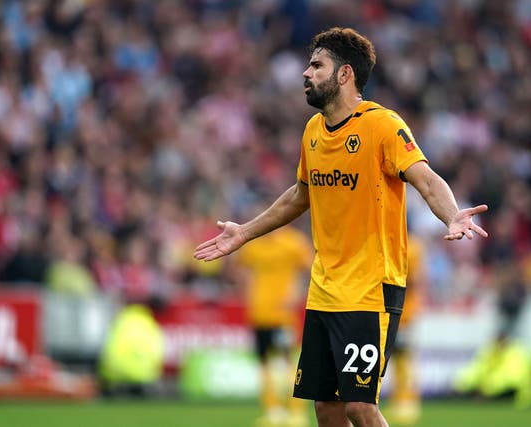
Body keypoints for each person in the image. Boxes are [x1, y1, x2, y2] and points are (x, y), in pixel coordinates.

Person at [194, 27, 488, 427]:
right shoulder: (313, 132)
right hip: (324, 290)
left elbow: (425, 177)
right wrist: (245, 232)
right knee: (326, 409)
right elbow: (300, 195)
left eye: (317, 65)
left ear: (345, 74)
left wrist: (451, 214)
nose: (306, 73)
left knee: (360, 406)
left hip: (370, 289)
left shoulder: (382, 125)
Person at [231, 224, 313, 427]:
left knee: (288, 359)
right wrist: (248, 288)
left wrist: (296, 292)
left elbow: (310, 270)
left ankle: (296, 411)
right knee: (264, 361)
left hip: (283, 314)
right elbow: (238, 268)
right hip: (259, 313)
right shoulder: (254, 246)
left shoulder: (293, 243)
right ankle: (273, 410)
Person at [384, 232, 426, 426]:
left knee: (404, 358)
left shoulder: (411, 247)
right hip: (395, 310)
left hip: (404, 312)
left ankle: (408, 402)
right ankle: (401, 401)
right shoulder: (408, 245)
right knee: (396, 359)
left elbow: (414, 280)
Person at [453, 330, 531, 409]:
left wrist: (488, 389)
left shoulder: (517, 353)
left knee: (528, 388)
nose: (499, 344)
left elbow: (510, 375)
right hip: (492, 386)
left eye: (501, 341)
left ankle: (521, 409)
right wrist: (461, 384)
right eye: (498, 341)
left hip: (514, 388)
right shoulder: (490, 350)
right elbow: (477, 369)